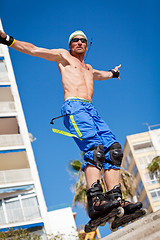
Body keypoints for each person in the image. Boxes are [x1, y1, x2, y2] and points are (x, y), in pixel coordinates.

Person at [0, 30, 142, 221]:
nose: (79, 42)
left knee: (114, 151)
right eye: (75, 40)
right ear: (70, 45)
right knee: (95, 150)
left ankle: (115, 199)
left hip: (91, 110)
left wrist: (114, 73)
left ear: (86, 45)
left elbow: (102, 75)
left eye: (83, 40)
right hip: (74, 107)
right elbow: (34, 50)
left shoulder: (89, 69)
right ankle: (95, 201)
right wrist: (8, 40)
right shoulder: (63, 56)